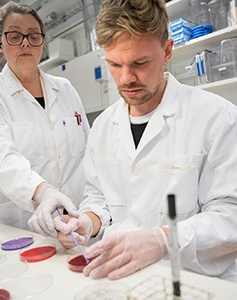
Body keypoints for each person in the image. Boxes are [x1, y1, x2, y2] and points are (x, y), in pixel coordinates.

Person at [54, 0, 237, 282]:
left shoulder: (217, 117)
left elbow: (231, 216)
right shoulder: (102, 126)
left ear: (166, 52)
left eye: (140, 63)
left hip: (192, 281)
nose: (126, 78)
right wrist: (88, 222)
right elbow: (99, 196)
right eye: (114, 64)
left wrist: (163, 240)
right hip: (121, 277)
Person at [0, 1, 89, 235]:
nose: (25, 42)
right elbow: (0, 159)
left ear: (42, 41)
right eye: (14, 36)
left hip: (73, 221)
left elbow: (88, 151)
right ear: (0, 42)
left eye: (33, 36)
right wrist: (42, 192)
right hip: (16, 227)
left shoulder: (65, 89)